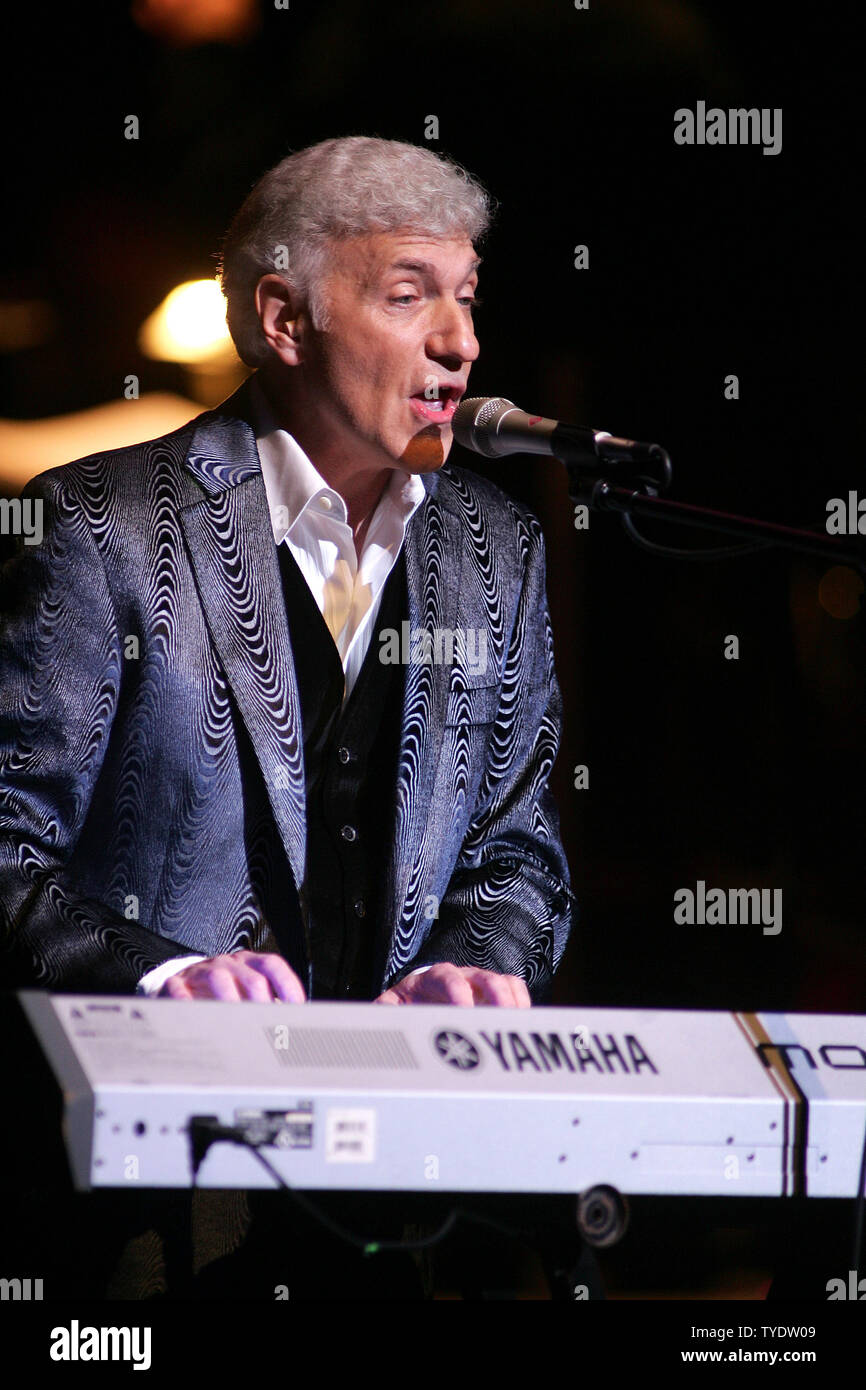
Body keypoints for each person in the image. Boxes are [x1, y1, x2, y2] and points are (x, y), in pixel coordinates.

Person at [0, 137, 575, 1296]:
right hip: (162, 1220)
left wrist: (472, 966)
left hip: (418, 1202)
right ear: (283, 318)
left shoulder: (495, 549)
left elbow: (519, 846)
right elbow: (9, 849)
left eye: (466, 298)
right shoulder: (100, 527)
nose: (461, 342)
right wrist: (166, 982)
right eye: (409, 294)